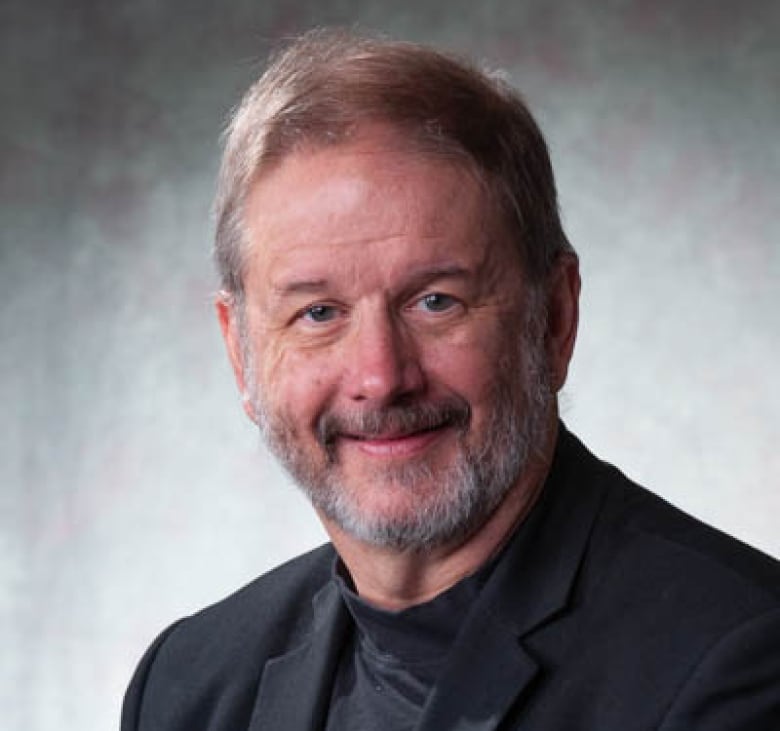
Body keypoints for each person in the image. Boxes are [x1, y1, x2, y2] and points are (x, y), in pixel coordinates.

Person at [122, 29, 780, 730]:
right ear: (240, 352)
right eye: (318, 312)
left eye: (436, 300)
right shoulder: (191, 683)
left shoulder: (736, 662)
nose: (380, 377)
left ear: (554, 318)